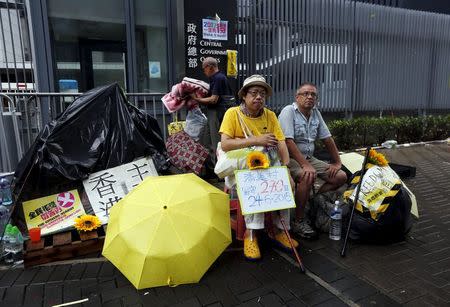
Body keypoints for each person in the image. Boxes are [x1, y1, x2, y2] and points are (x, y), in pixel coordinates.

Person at [219, 74, 298, 261]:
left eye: (262, 93)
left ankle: (281, 230)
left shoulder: (270, 115)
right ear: (244, 96)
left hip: (266, 163)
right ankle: (251, 234)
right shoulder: (232, 114)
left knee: (282, 183)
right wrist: (256, 140)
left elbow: (280, 142)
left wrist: (286, 170)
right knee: (254, 184)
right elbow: (225, 145)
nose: (258, 97)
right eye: (253, 93)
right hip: (240, 166)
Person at [278, 82, 347, 239]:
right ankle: (298, 221)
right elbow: (288, 141)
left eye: (313, 95)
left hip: (309, 158)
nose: (309, 97)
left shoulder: (316, 113)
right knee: (307, 175)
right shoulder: (288, 111)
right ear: (297, 97)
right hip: (290, 158)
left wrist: (337, 162)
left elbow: (327, 138)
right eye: (305, 94)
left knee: (340, 176)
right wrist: (305, 165)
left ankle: (309, 198)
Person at [192, 57, 232, 154]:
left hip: (217, 113)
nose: (204, 71)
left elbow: (214, 99)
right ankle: (211, 166)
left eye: (204, 68)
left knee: (216, 142)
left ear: (210, 67)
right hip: (213, 113)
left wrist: (197, 99)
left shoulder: (218, 78)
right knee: (207, 140)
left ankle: (218, 166)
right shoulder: (217, 78)